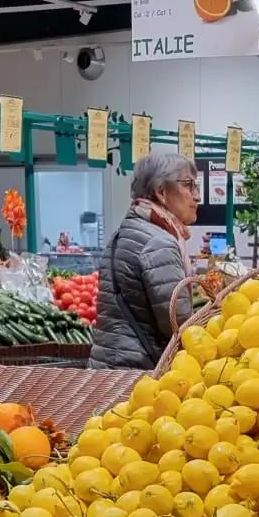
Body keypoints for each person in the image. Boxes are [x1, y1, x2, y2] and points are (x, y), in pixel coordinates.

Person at [92, 154, 198, 369]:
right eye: (188, 185)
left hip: (110, 365)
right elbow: (179, 325)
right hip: (135, 372)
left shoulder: (126, 231)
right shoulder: (159, 243)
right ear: (162, 192)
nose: (197, 196)